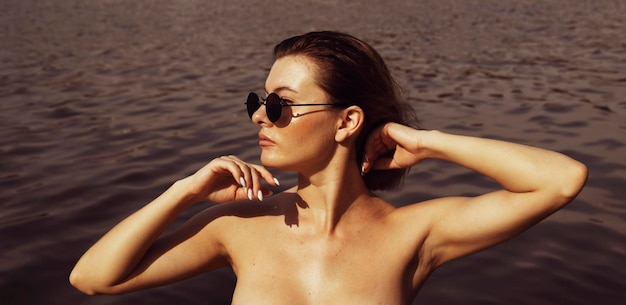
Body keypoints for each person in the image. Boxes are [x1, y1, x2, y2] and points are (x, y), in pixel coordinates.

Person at [70, 31, 587, 304]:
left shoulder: (414, 234)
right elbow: (93, 279)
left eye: (279, 105)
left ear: (347, 122)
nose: (258, 116)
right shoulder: (238, 227)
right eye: (259, 100)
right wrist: (182, 192)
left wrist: (428, 143)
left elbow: (561, 181)